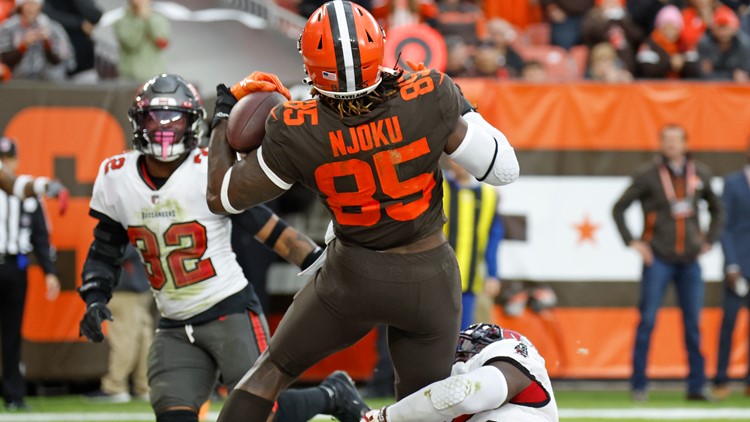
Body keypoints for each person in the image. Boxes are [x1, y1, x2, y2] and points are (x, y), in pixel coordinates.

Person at [205, 2, 519, 420]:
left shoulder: (294, 125)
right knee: (421, 410)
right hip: (428, 277)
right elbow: (503, 169)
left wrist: (223, 117)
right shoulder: (430, 94)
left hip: (350, 277)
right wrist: (461, 109)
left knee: (270, 373)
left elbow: (223, 197)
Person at [77, 74, 368, 422]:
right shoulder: (117, 176)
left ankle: (332, 394)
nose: (165, 129)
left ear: (193, 123)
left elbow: (269, 229)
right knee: (173, 415)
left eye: (175, 119)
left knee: (261, 414)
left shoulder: (205, 171)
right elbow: (105, 247)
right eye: (155, 118)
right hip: (173, 322)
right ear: (139, 122)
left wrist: (325, 268)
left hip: (228, 310)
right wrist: (95, 296)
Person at [612, 123, 723, 402]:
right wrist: (633, 241)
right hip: (658, 258)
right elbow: (619, 207)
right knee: (648, 321)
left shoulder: (700, 173)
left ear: (686, 144)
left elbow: (717, 209)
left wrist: (708, 240)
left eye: (676, 140)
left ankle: (697, 387)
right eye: (667, 140)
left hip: (690, 261)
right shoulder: (648, 175)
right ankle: (639, 386)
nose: (672, 145)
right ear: (661, 144)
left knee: (693, 325)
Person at [361, 323, 558, 422]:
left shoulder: (513, 358)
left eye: (468, 344)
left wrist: (384, 417)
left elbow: (462, 392)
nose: (460, 354)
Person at [0, 136, 61, 411]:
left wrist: (50, 271)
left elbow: (40, 235)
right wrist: (45, 186)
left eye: (8, 158)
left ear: (16, 159)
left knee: (12, 334)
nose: (4, 164)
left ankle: (13, 394)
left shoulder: (25, 190)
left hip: (15, 265)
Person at [85, 244, 153, 403]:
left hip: (125, 287)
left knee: (124, 337)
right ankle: (144, 386)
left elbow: (115, 251)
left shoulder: (124, 223)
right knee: (143, 337)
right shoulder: (145, 221)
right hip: (143, 285)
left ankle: (115, 386)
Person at [442, 157, 503, 330]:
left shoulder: (488, 195)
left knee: (464, 332)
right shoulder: (440, 187)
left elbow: (494, 236)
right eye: (453, 159)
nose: (457, 163)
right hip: (438, 277)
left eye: (462, 158)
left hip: (470, 280)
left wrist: (493, 274)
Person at [713, 140, 750, 399]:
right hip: (738, 266)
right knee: (729, 323)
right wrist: (732, 264)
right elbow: (723, 227)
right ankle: (721, 379)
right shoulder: (733, 182)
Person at [0, 0, 74, 81]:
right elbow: (3, 60)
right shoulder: (7, 28)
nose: (30, 8)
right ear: (20, 6)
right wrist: (23, 46)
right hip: (18, 82)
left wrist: (47, 43)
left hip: (49, 82)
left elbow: (62, 60)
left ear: (40, 6)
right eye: (27, 4)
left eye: (34, 4)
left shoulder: (53, 28)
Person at [42, 0, 102, 82]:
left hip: (83, 63)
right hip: (57, 67)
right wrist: (80, 24)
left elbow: (95, 15)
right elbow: (48, 14)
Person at [114, 0, 169, 82]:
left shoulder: (158, 18)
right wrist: (140, 20)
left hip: (155, 75)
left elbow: (163, 43)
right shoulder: (122, 21)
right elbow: (131, 43)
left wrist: (149, 19)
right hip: (130, 77)